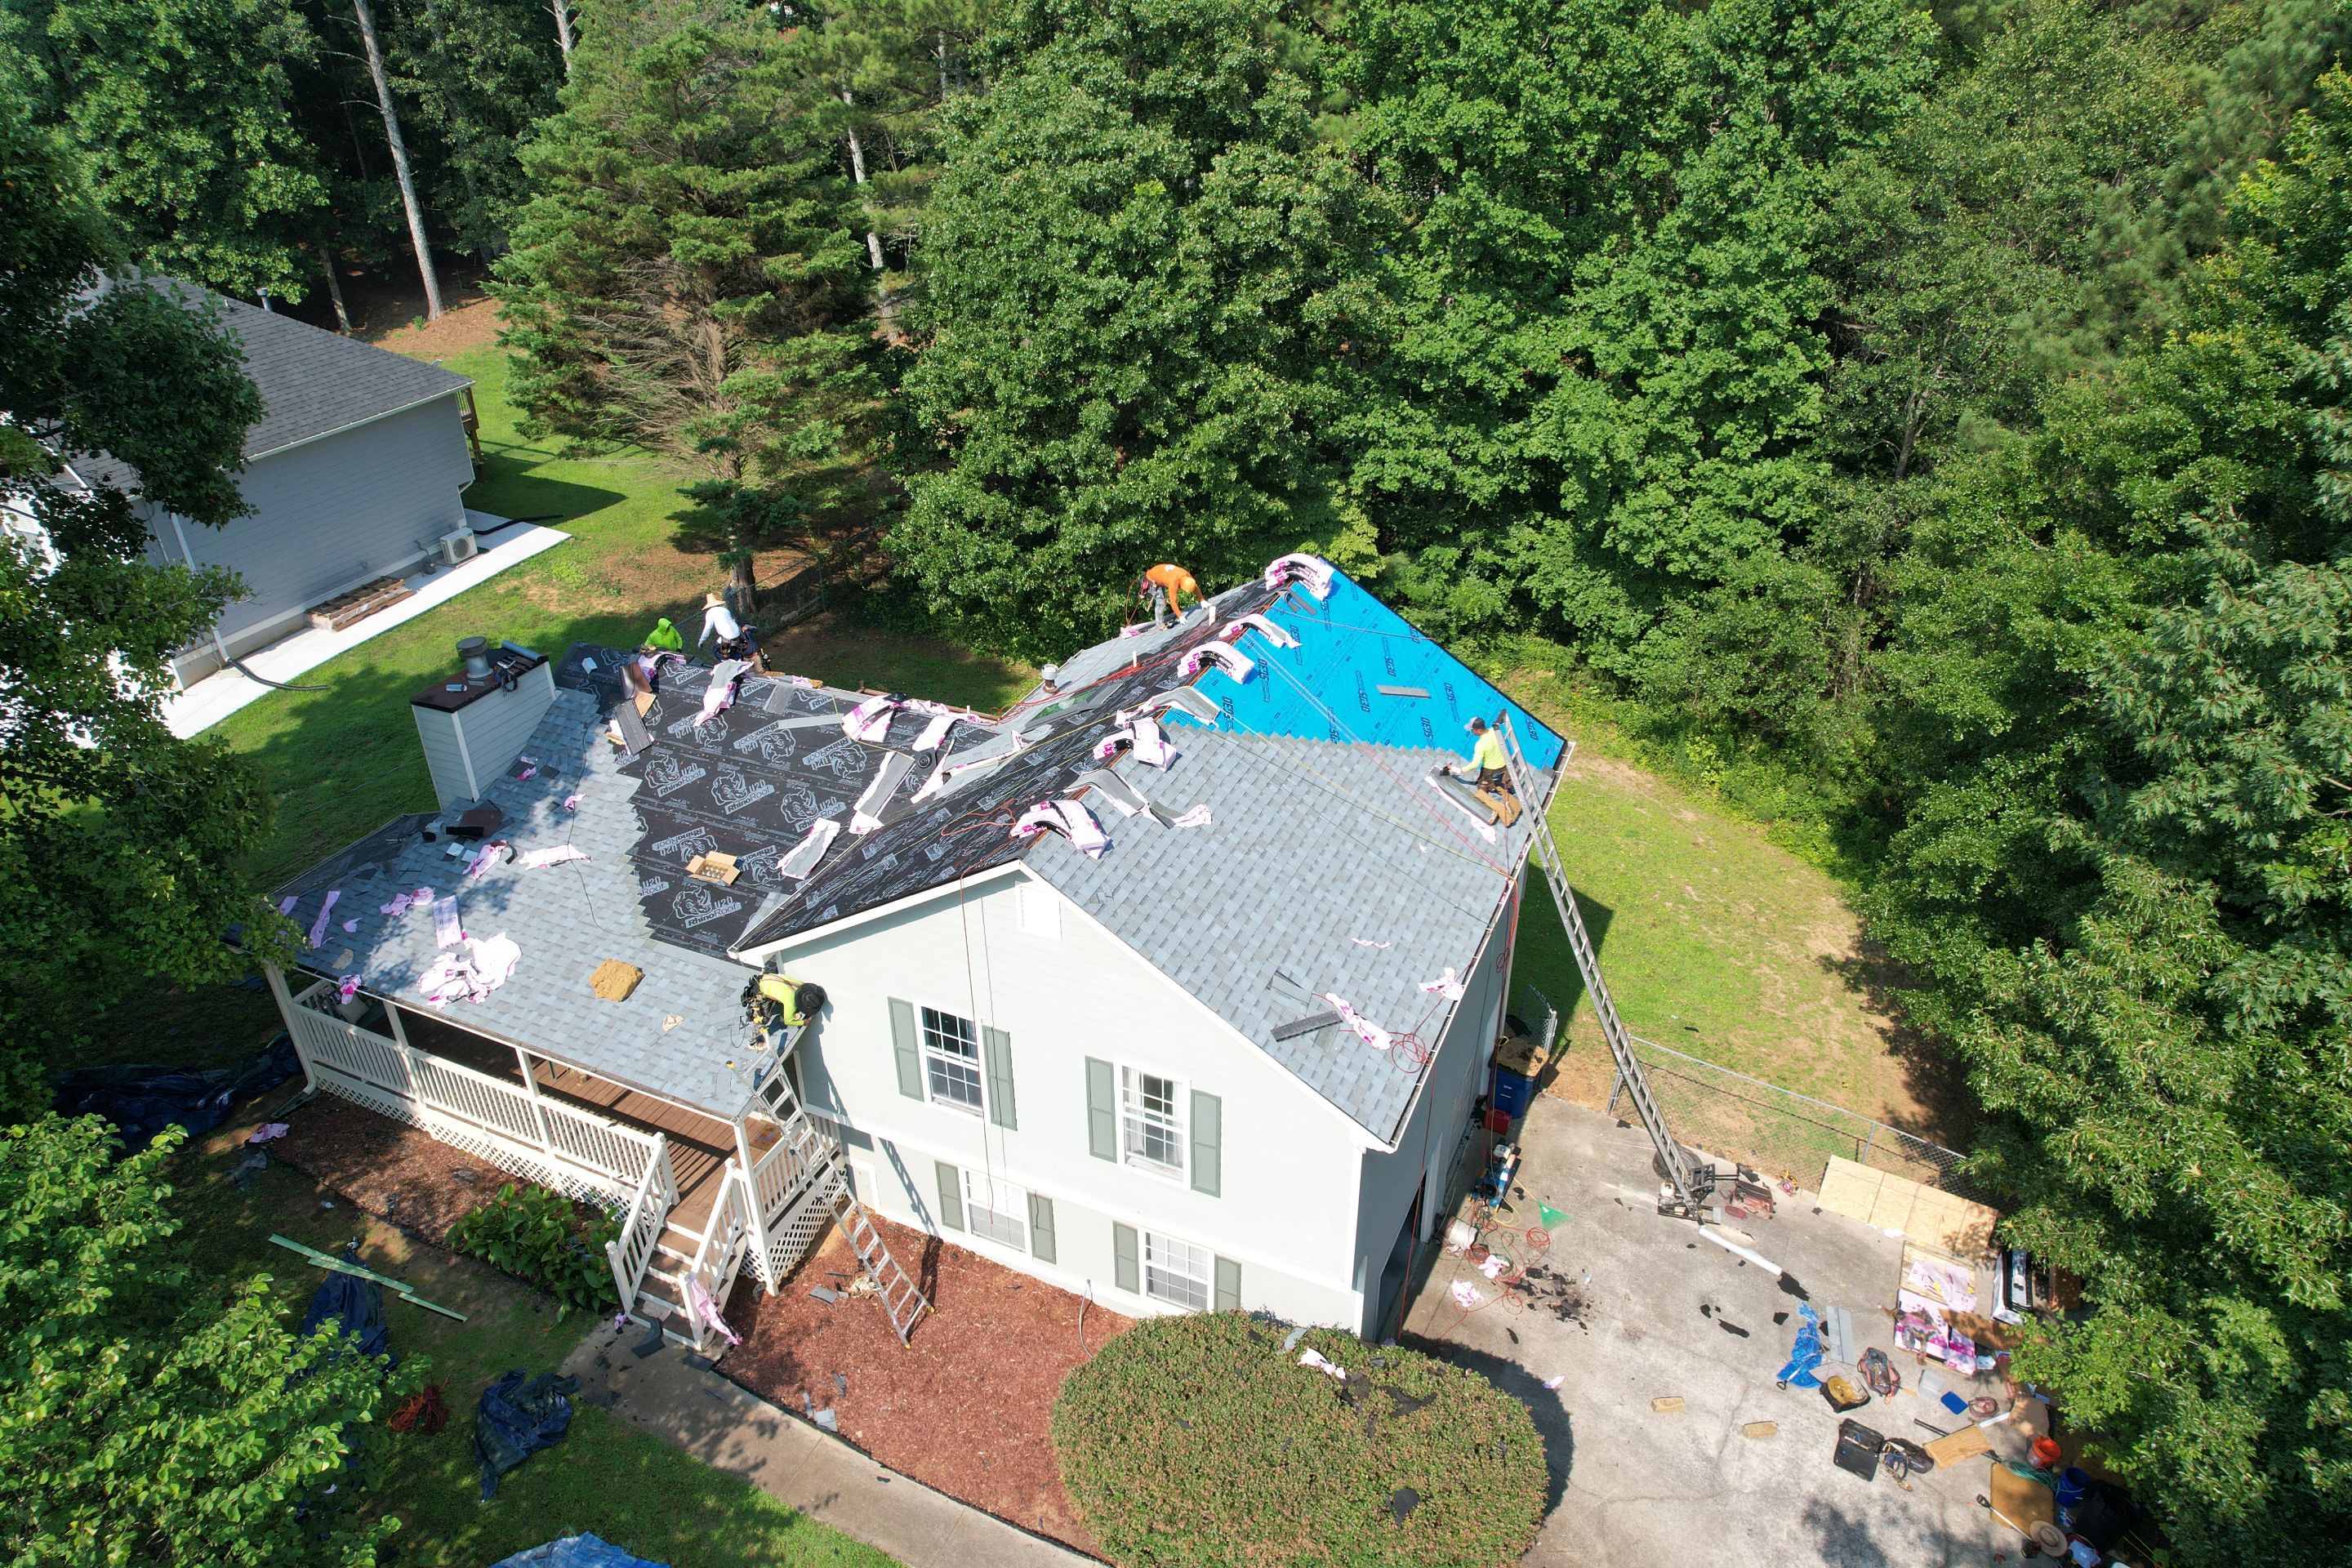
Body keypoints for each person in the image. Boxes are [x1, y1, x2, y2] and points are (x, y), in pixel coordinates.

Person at [1450, 715, 1521, 826]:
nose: (1472, 732)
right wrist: (1500, 718)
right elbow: (1501, 718)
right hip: (1505, 767)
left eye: (1473, 730)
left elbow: (1474, 765)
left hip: (1490, 771)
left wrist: (1458, 770)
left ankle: (1500, 808)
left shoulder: (1480, 744)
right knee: (1501, 785)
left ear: (1479, 730)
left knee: (1481, 791)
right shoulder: (1495, 731)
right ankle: (1511, 801)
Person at [1138, 563, 1211, 628]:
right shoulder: (1173, 583)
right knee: (1161, 602)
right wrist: (1180, 616)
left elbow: (1195, 586)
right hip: (1152, 580)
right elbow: (1173, 602)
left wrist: (1202, 600)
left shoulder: (1186, 574)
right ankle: (1159, 623)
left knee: (1162, 597)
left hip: (1161, 575)